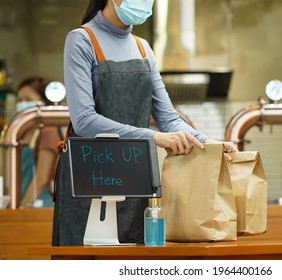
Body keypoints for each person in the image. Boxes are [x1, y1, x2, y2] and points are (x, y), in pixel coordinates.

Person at [52, 0, 237, 246]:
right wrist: (153, 137)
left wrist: (211, 144)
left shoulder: (142, 48)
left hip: (133, 177)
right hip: (89, 179)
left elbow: (169, 119)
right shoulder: (82, 40)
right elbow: (85, 121)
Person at [16, 77, 62, 208]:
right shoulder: (20, 132)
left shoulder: (47, 132)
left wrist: (22, 208)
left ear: (43, 102)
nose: (22, 103)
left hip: (40, 205)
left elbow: (41, 178)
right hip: (19, 201)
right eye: (20, 100)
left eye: (28, 99)